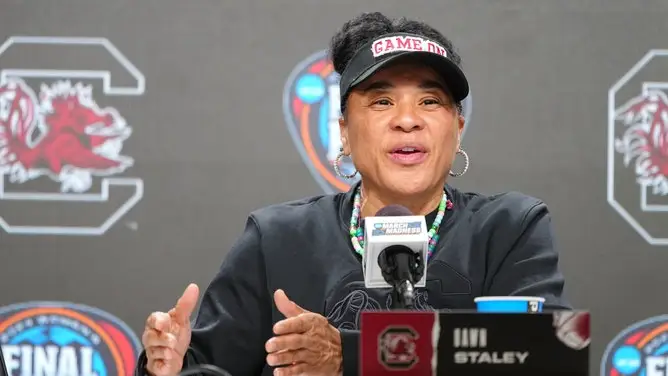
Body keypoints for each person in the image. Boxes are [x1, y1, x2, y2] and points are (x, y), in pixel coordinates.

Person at [136, 11, 571, 376]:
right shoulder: (278, 239)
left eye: (430, 101)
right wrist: (167, 368)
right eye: (381, 102)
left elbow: (544, 359)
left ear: (457, 129)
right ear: (344, 131)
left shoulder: (510, 227)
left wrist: (351, 355)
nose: (407, 120)